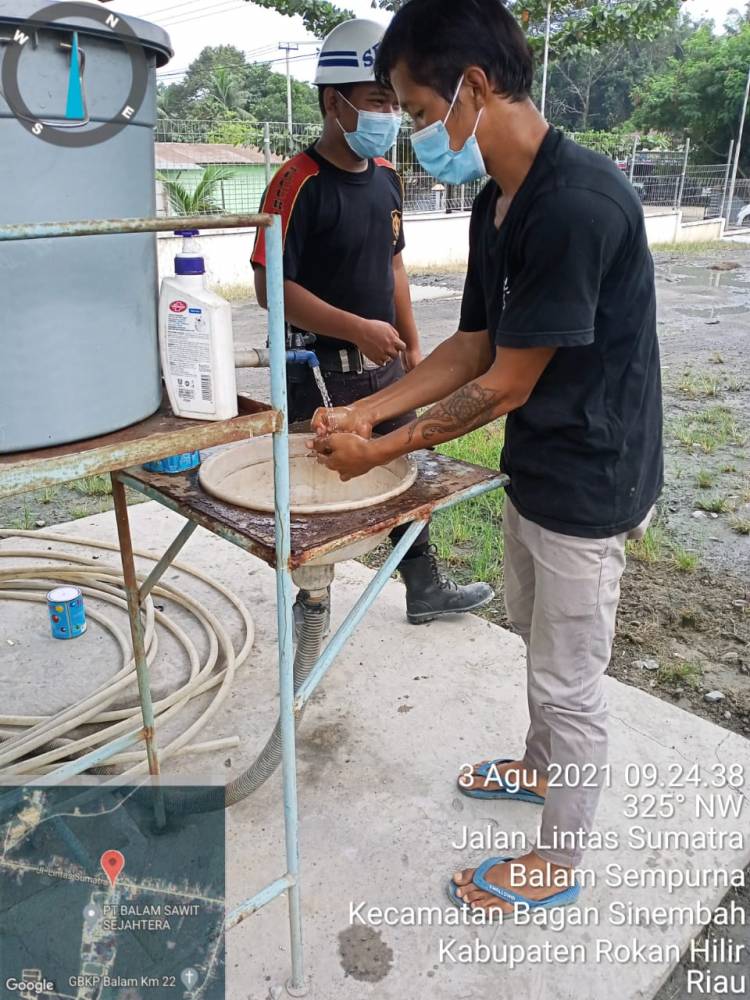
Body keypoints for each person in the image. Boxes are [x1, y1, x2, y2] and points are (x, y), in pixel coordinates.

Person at [309, 0, 663, 915]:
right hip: (540, 463)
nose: (417, 134)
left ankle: (558, 859)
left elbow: (504, 384)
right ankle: (539, 768)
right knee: (537, 638)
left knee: (569, 680)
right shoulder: (495, 203)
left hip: (594, 475)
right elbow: (472, 346)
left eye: (420, 112)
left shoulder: (576, 204)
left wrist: (380, 451)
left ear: (473, 87)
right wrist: (366, 409)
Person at [252, 17, 494, 634]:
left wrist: (411, 345)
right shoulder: (295, 183)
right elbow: (268, 287)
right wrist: (356, 327)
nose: (388, 114)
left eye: (393, 102)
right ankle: (313, 607)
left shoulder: (387, 176)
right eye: (376, 101)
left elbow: (395, 265)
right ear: (334, 103)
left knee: (406, 474)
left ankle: (424, 587)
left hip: (385, 368)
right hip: (318, 374)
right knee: (325, 486)